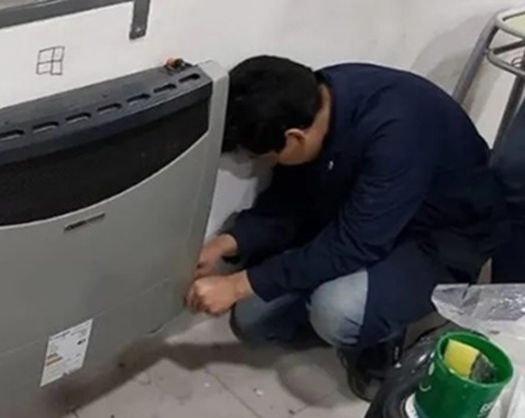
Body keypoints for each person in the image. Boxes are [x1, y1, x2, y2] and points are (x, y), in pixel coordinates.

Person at [185, 56, 508, 399]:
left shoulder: (396, 130)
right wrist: (226, 242)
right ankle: (350, 302)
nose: (267, 164)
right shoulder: (311, 101)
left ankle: (381, 336)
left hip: (440, 238)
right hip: (363, 224)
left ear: (294, 138)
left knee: (335, 311)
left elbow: (354, 245)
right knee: (253, 321)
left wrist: (239, 284)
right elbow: (289, 200)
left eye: (268, 157)